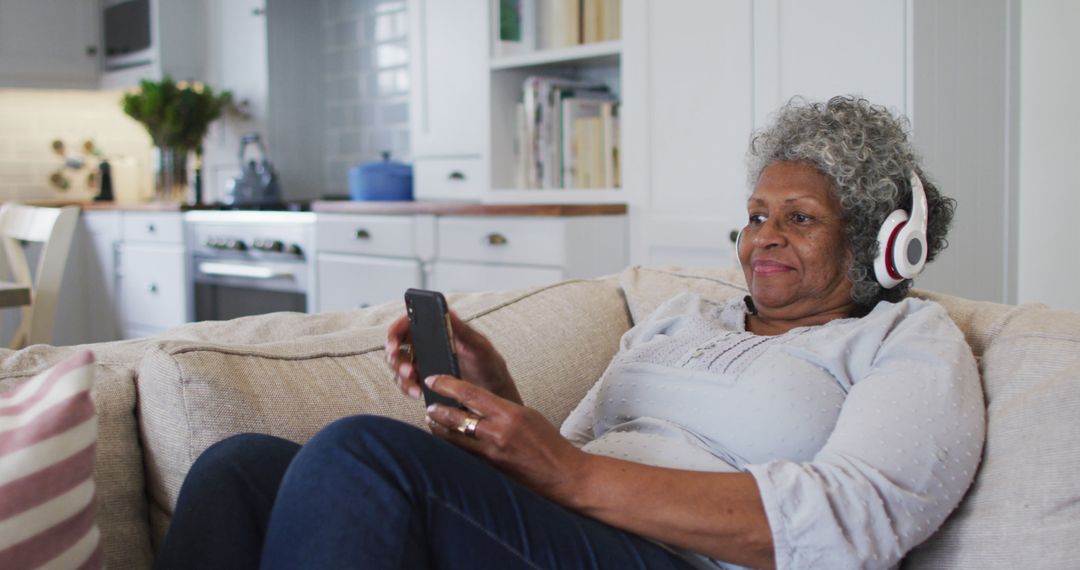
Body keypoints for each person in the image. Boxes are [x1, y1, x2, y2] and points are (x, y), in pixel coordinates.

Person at [155, 96, 984, 570]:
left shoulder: (906, 341)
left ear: (883, 243)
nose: (762, 236)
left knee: (358, 454)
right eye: (756, 214)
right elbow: (568, 455)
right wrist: (496, 392)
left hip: (679, 560)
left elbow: (850, 523)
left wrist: (571, 473)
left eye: (798, 218)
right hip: (573, 533)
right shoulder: (680, 317)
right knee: (239, 469)